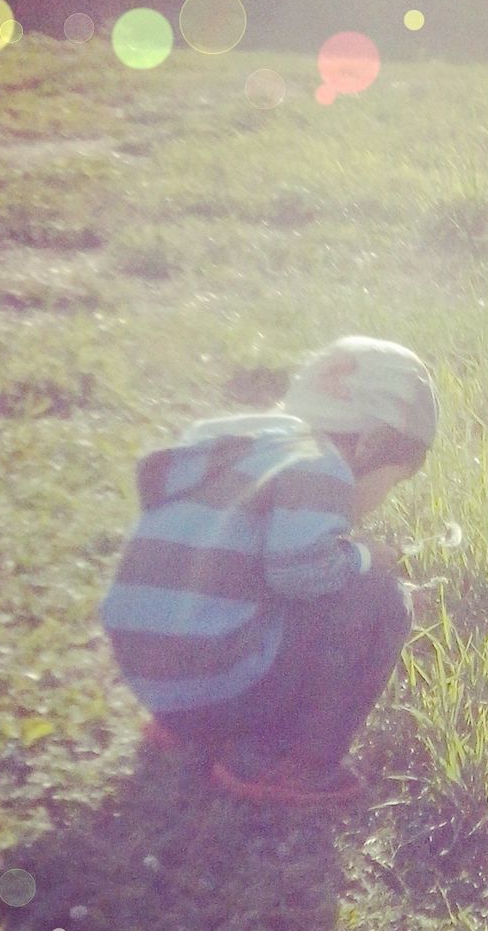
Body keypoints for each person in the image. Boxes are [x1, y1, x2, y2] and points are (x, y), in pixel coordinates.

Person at [99, 335, 439, 805]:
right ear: (369, 445)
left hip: (151, 677)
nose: (386, 498)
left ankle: (185, 730)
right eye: (394, 483)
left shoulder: (234, 445)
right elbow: (300, 575)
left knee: (300, 585)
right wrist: (366, 562)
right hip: (220, 688)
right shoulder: (321, 465)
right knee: (382, 595)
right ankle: (290, 764)